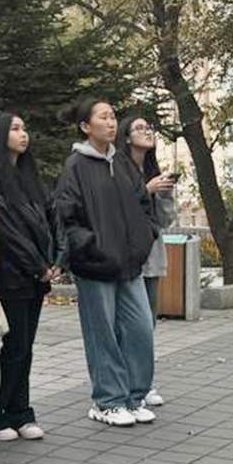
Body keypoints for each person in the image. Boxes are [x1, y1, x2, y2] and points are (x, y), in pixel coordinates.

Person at [55, 99, 159, 427]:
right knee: (103, 336)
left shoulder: (123, 164)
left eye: (113, 117)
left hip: (129, 265)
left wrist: (144, 239)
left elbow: (144, 206)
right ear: (86, 127)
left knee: (141, 329)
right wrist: (91, 247)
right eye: (103, 117)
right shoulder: (76, 166)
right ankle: (108, 401)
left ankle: (134, 396)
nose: (111, 123)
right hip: (95, 267)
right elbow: (66, 217)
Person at [0, 113, 58, 442]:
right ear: (0, 135)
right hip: (10, 274)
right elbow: (5, 231)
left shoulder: (29, 175)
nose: (23, 134)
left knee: (25, 347)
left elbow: (49, 219)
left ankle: (19, 411)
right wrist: (37, 265)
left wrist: (54, 260)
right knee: (14, 346)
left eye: (24, 128)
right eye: (15, 128)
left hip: (35, 275)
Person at [122, 113, 175, 409]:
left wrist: (164, 195)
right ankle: (125, 382)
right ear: (127, 137)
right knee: (131, 323)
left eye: (149, 127)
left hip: (153, 258)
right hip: (127, 258)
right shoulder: (119, 169)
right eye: (139, 128)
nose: (147, 131)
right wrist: (146, 190)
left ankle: (144, 382)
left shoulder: (154, 171)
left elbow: (166, 220)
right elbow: (117, 209)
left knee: (148, 324)